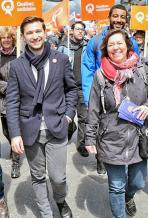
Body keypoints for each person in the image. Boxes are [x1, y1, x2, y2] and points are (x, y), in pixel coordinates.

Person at [6, 16, 77, 218]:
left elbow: (71, 89)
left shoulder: (61, 59)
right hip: (30, 131)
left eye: (38, 31)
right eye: (30, 32)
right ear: (23, 36)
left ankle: (61, 201)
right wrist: (15, 134)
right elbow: (12, 102)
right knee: (37, 176)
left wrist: (69, 116)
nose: (35, 36)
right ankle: (46, 213)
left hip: (57, 127)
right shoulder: (17, 66)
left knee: (58, 178)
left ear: (45, 32)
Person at [85, 29, 148, 218]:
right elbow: (93, 110)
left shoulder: (141, 70)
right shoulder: (100, 76)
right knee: (116, 186)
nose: (115, 47)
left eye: (119, 43)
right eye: (111, 44)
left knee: (138, 182)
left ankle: (129, 196)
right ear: (105, 49)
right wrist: (90, 138)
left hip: (138, 136)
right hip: (111, 138)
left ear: (127, 45)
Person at [82, 4, 139, 174]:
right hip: (101, 93)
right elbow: (87, 70)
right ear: (109, 17)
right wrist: (88, 99)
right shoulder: (95, 41)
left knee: (121, 127)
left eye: (122, 17)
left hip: (125, 94)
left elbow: (137, 66)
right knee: (102, 127)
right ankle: (102, 157)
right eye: (116, 16)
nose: (119, 20)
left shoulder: (132, 42)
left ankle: (122, 157)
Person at [58, 21, 90, 158]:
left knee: (84, 118)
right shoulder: (63, 47)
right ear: (71, 31)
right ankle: (70, 129)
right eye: (77, 29)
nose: (80, 31)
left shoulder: (88, 47)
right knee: (67, 115)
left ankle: (81, 144)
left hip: (83, 88)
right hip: (67, 88)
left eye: (82, 29)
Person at [0, 26, 22, 179]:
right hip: (3, 97)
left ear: (13, 39)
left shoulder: (20, 54)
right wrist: (7, 87)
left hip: (19, 99)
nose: (6, 39)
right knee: (6, 131)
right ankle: (13, 143)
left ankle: (16, 162)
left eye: (9, 37)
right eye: (3, 37)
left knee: (15, 130)